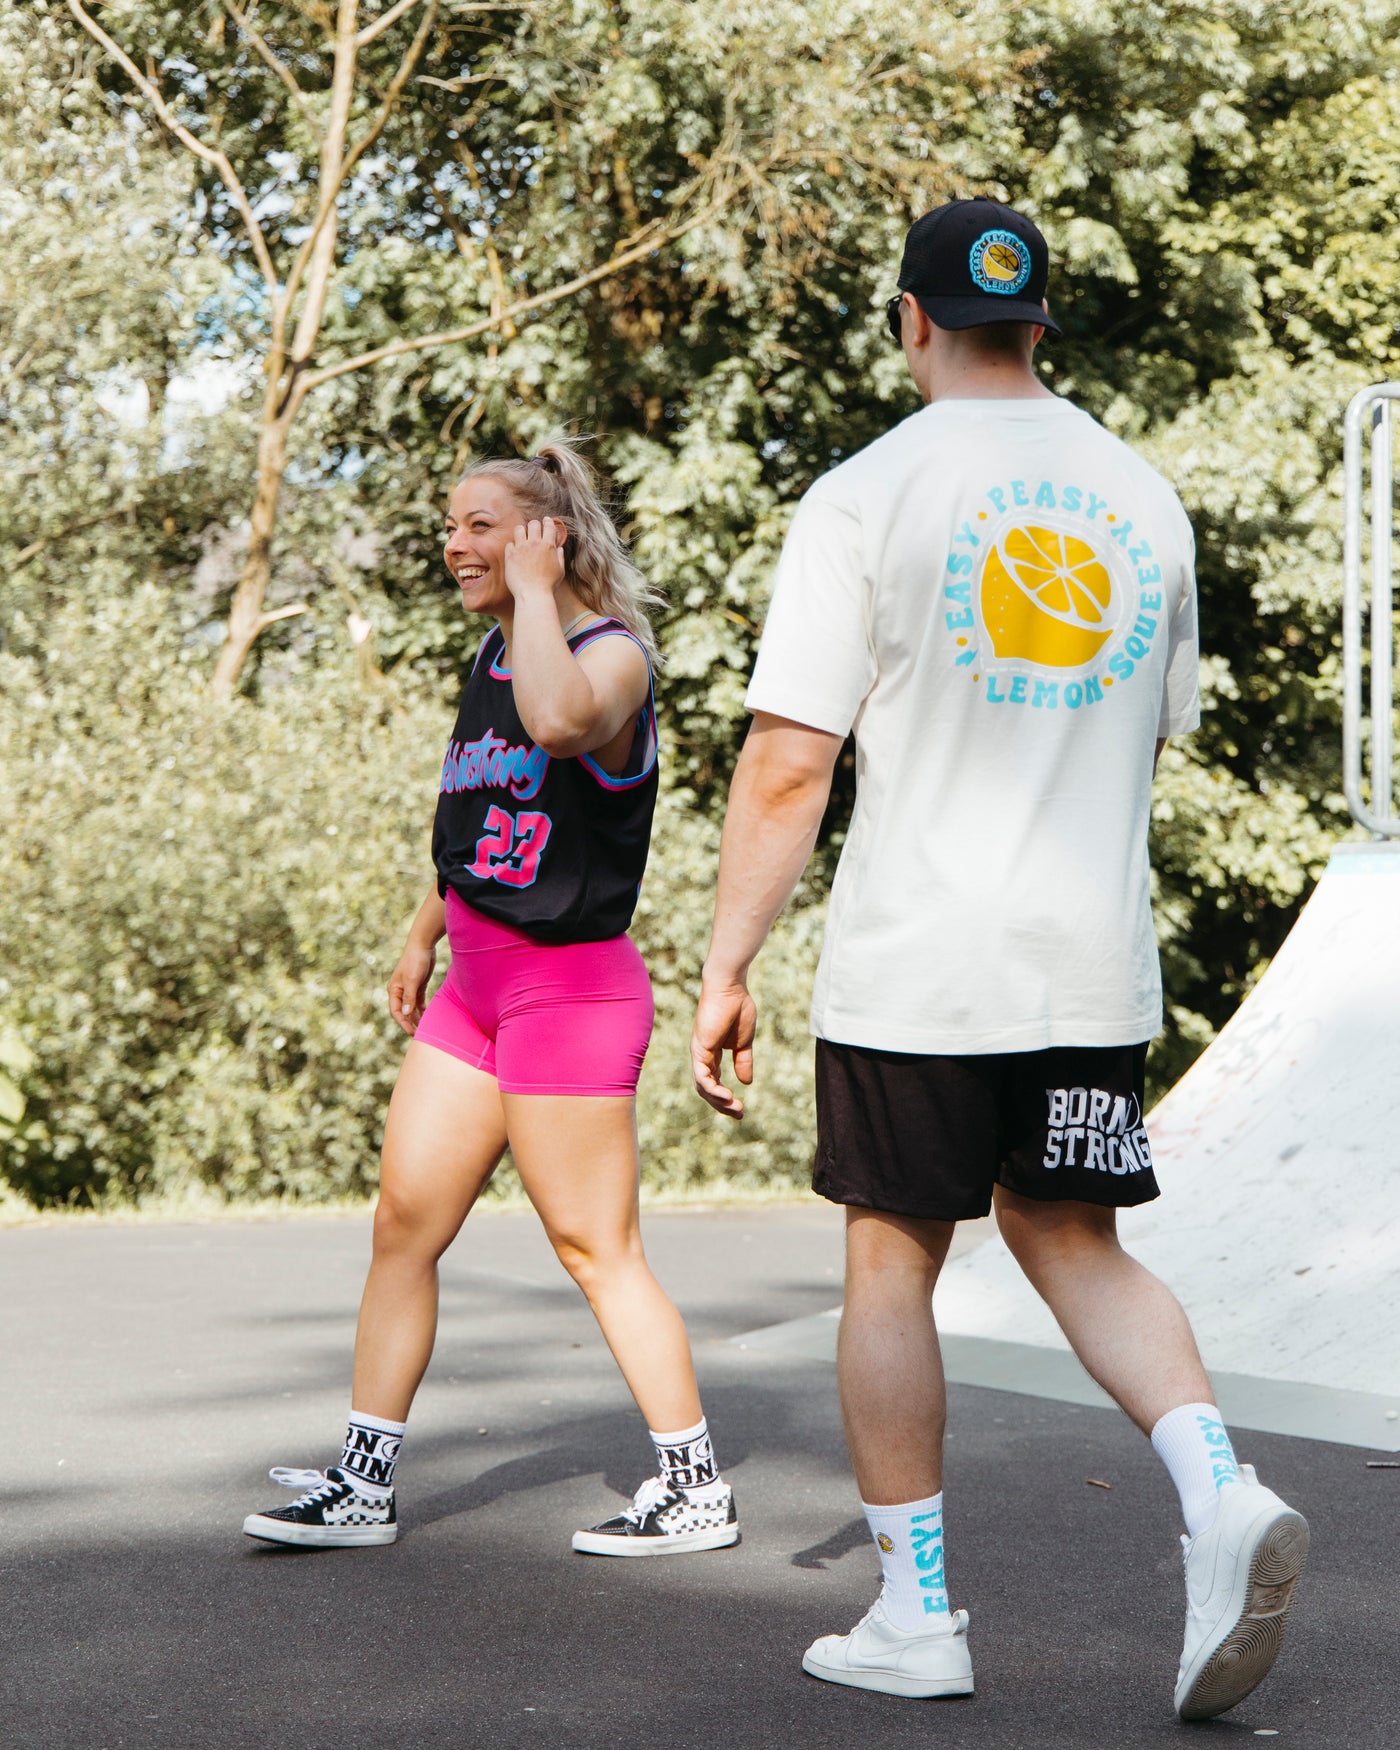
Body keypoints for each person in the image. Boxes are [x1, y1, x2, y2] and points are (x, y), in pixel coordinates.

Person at [690, 199, 1306, 1717]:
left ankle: (917, 1615)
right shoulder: (1143, 497)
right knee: (1073, 1237)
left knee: (890, 1262)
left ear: (910, 321)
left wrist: (723, 961)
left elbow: (787, 759)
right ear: (1043, 326)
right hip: (1085, 959)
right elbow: (1155, 732)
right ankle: (1217, 1488)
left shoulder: (865, 493)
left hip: (921, 962)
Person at [244, 440, 736, 1558]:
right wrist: (423, 935)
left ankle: (695, 1484)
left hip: (568, 992)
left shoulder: (610, 660)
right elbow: (477, 823)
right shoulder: (491, 654)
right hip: (476, 987)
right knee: (401, 1229)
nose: (452, 543)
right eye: (450, 524)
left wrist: (533, 597)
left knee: (591, 1247)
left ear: (541, 537)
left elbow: (561, 728)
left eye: (479, 525)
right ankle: (363, 1484)